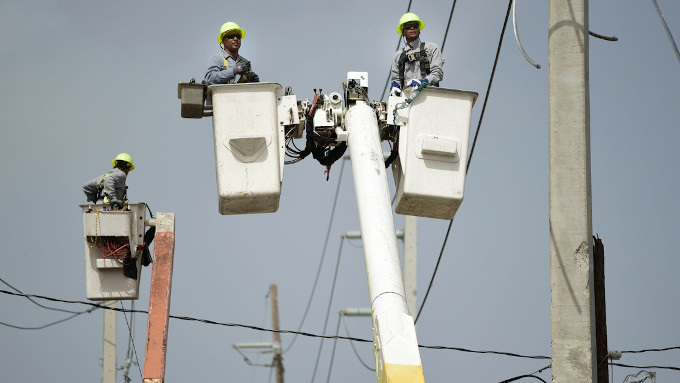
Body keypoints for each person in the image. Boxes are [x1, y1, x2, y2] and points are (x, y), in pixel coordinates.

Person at [389, 13, 444, 96]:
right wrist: (394, 87)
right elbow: (396, 79)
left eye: (415, 25)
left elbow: (437, 73)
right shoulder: (398, 56)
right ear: (402, 32)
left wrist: (424, 81)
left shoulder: (431, 48)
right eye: (408, 26)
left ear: (419, 30)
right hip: (407, 100)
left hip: (429, 96)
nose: (412, 28)